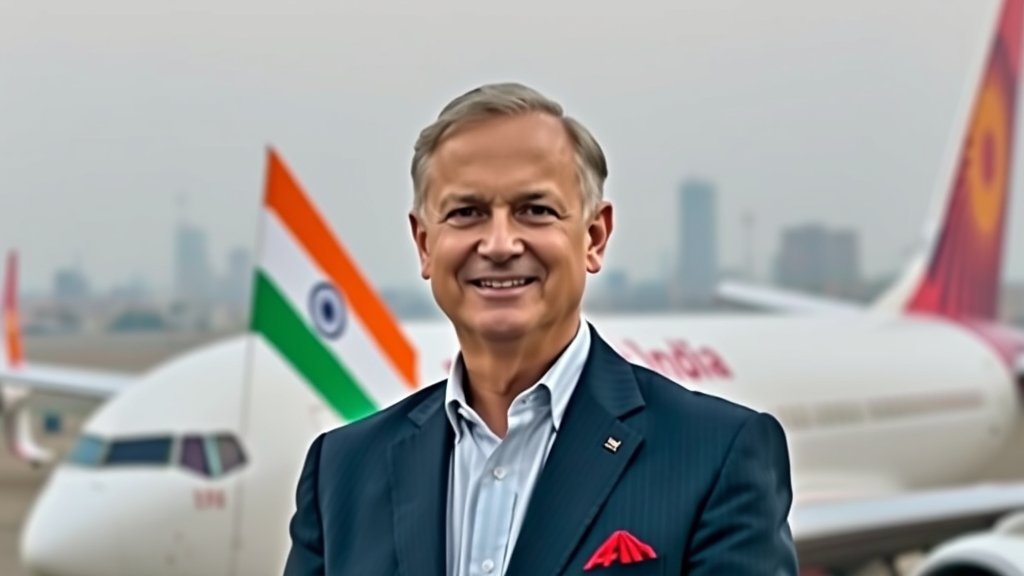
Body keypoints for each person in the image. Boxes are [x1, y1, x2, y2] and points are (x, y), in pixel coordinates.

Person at [283, 81, 798, 575]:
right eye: (467, 213)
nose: (500, 244)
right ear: (424, 244)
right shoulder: (343, 472)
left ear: (594, 237)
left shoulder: (714, 454)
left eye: (534, 210)